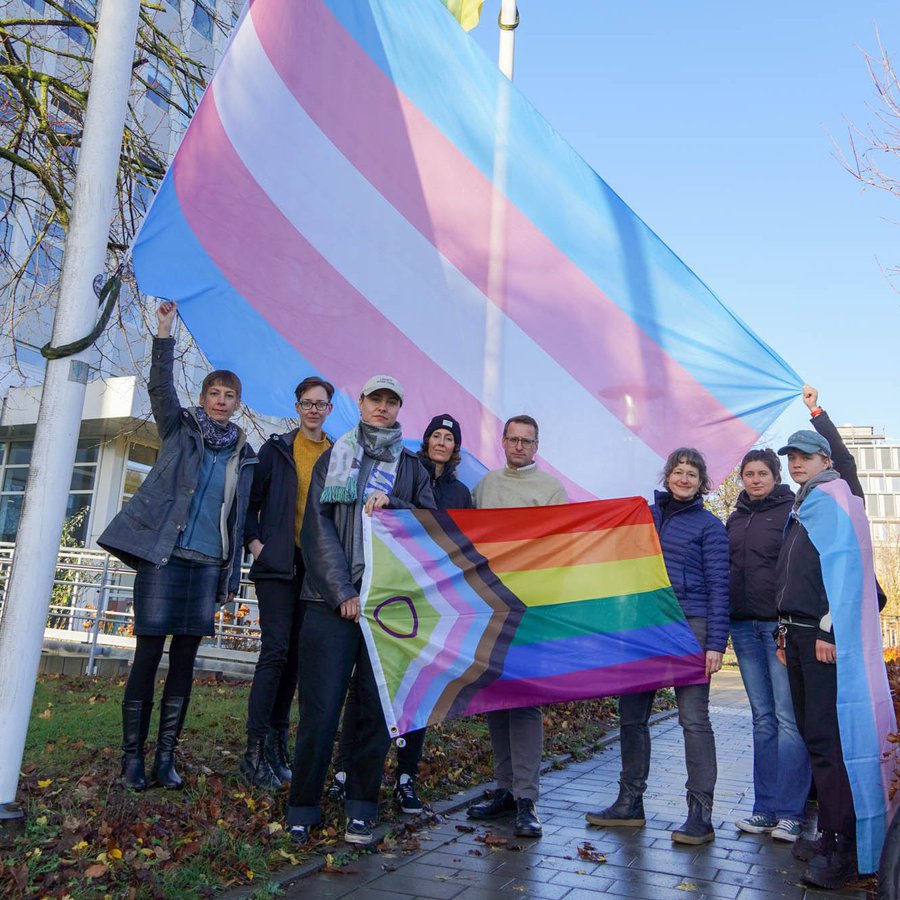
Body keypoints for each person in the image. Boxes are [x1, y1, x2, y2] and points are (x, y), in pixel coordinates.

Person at [99, 301, 255, 791]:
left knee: (186, 661)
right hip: (165, 559)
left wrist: (231, 575)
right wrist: (164, 332)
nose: (221, 400)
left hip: (208, 563)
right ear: (204, 396)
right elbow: (160, 388)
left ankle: (166, 758)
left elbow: (237, 516)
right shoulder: (179, 429)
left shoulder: (243, 455)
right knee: (147, 655)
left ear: (237, 402)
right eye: (215, 392)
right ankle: (132, 760)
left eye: (230, 395)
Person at [285, 376, 435, 846]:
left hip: (388, 609)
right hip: (330, 604)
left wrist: (399, 503)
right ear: (362, 403)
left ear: (399, 408)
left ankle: (362, 807)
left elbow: (431, 529)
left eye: (392, 401)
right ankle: (303, 804)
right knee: (321, 711)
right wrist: (341, 592)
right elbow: (315, 529)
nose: (383, 408)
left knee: (374, 711)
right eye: (376, 399)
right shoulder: (336, 455)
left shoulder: (412, 468)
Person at [330, 413, 473, 814]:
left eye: (449, 437)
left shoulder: (461, 492)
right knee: (365, 684)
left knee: (416, 688)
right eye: (436, 435)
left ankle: (405, 777)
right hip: (387, 594)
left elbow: (455, 540)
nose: (441, 442)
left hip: (429, 601)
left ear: (455, 447)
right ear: (425, 440)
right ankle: (346, 769)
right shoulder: (400, 468)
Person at [586, 447, 729, 845]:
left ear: (702, 482)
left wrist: (715, 643)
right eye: (677, 471)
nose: (684, 478)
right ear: (667, 477)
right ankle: (629, 803)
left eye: (692, 473)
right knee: (632, 717)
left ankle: (700, 814)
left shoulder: (710, 526)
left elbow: (720, 588)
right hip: (643, 628)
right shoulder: (643, 517)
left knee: (693, 720)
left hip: (691, 628)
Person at [775, 385, 875, 889]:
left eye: (804, 455)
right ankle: (831, 832)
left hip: (820, 637)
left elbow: (849, 571)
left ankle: (844, 847)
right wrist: (783, 627)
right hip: (794, 635)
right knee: (816, 737)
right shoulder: (805, 504)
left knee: (828, 740)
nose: (795, 462)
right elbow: (796, 575)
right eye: (790, 456)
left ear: (824, 459)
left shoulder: (838, 496)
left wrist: (828, 628)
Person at [466, 415, 567, 839]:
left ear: (537, 445)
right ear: (503, 441)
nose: (520, 446)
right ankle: (505, 789)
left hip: (530, 608)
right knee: (494, 696)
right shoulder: (486, 486)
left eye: (528, 441)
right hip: (489, 606)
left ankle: (528, 798)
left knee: (523, 701)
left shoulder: (550, 490)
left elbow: (561, 547)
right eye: (514, 439)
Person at [239, 376, 334, 790]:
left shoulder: (338, 454)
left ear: (330, 409)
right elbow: (249, 503)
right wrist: (257, 545)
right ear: (297, 407)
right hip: (278, 566)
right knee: (274, 653)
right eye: (306, 403)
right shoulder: (276, 450)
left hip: (315, 570)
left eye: (321, 404)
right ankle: (254, 752)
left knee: (296, 657)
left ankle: (278, 746)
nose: (313, 410)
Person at [729, 449, 812, 843]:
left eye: (763, 473)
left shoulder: (791, 514)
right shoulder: (734, 519)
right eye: (749, 473)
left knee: (788, 719)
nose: (755, 479)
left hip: (779, 628)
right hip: (743, 628)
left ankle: (791, 813)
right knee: (762, 719)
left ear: (776, 477)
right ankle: (763, 810)